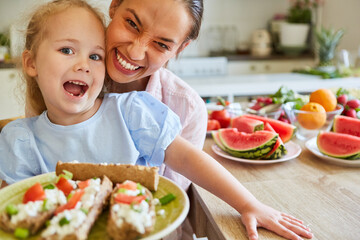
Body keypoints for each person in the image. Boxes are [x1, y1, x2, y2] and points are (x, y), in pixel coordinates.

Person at [0, 1, 313, 240]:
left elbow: (188, 163)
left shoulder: (134, 112)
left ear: (180, 49)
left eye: (161, 43)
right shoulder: (25, 133)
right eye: (132, 24)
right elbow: (16, 205)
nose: (136, 51)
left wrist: (248, 203)